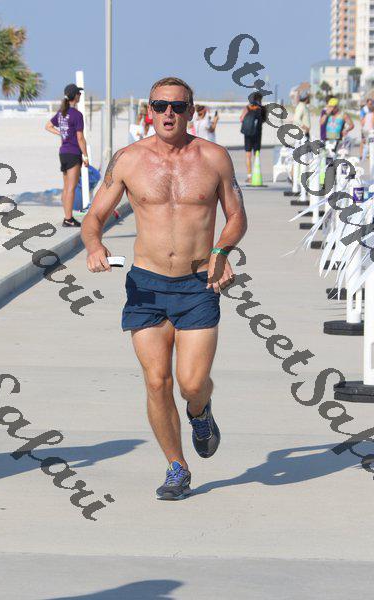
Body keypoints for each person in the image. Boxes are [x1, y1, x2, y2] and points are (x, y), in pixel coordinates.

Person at [81, 76, 247, 500]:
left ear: (191, 110)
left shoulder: (214, 158)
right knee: (157, 382)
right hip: (146, 285)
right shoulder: (129, 160)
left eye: (177, 106)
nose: (168, 113)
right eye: (159, 106)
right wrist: (95, 246)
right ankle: (177, 466)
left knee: (191, 383)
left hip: (197, 284)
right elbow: (93, 218)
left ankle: (200, 411)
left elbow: (236, 216)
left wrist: (221, 251)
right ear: (149, 111)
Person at [45, 84, 89, 227]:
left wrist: (61, 134)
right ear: (75, 96)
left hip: (63, 153)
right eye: (79, 93)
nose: (80, 95)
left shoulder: (61, 113)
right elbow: (80, 138)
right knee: (71, 188)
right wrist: (85, 155)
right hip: (73, 153)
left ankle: (67, 217)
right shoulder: (77, 115)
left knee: (66, 187)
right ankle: (69, 219)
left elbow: (48, 126)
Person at [239, 91, 265, 183]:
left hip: (248, 134)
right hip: (257, 134)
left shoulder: (247, 108)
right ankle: (256, 174)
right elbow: (263, 120)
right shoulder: (261, 109)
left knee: (248, 155)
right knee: (256, 154)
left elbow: (241, 119)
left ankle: (249, 176)